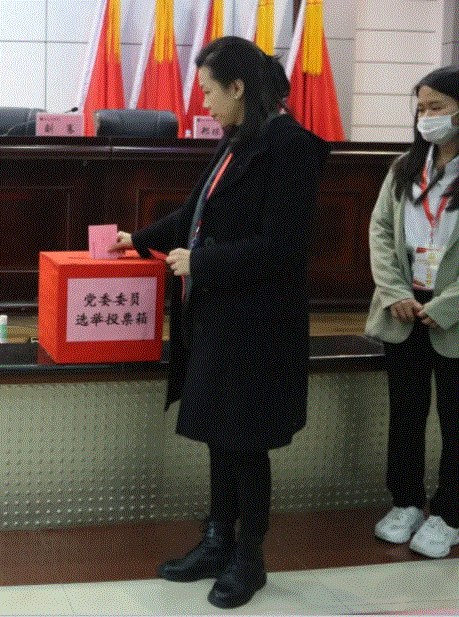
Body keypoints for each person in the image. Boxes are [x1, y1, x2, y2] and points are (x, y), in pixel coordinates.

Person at [110, 36, 328, 608]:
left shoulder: (290, 148)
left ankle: (248, 557)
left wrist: (202, 263)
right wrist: (141, 239)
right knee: (217, 435)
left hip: (259, 327)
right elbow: (196, 215)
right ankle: (216, 541)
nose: (203, 103)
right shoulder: (238, 141)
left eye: (209, 91)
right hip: (219, 320)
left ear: (238, 87)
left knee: (245, 443)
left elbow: (284, 246)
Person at [366, 65, 459, 559]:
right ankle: (404, 502)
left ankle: (449, 513)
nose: (426, 117)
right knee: (405, 414)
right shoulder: (405, 168)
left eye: (437, 107)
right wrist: (393, 291)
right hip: (403, 309)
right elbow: (381, 231)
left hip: (453, 313)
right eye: (421, 107)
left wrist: (447, 304)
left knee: (455, 419)